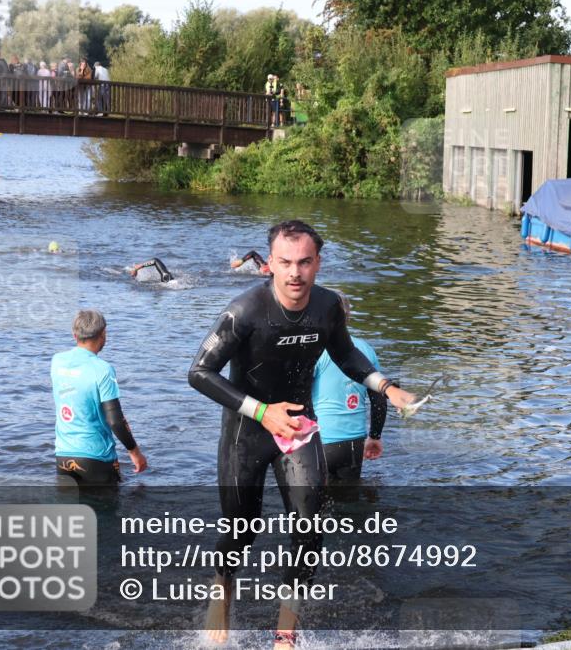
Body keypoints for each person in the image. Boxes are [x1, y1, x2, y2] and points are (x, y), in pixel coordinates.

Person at [187, 220, 415, 647]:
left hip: (299, 428)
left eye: (305, 263)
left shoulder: (327, 307)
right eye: (286, 263)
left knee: (310, 529)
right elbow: (199, 373)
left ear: (317, 264)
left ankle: (284, 635)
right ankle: (222, 587)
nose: (295, 273)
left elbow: (346, 354)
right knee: (242, 530)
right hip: (246, 431)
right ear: (269, 264)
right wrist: (260, 412)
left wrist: (387, 387)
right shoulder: (245, 311)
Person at [51, 309, 148, 485]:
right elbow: (115, 420)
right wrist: (135, 452)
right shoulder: (103, 369)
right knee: (108, 511)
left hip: (63, 455)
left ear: (75, 335)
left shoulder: (57, 361)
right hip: (96, 457)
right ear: (103, 334)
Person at [312, 291, 388, 483]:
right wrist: (375, 437)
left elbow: (296, 393)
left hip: (319, 439)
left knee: (312, 506)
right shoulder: (365, 349)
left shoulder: (314, 348)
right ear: (348, 315)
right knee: (349, 502)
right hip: (353, 443)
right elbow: (379, 398)